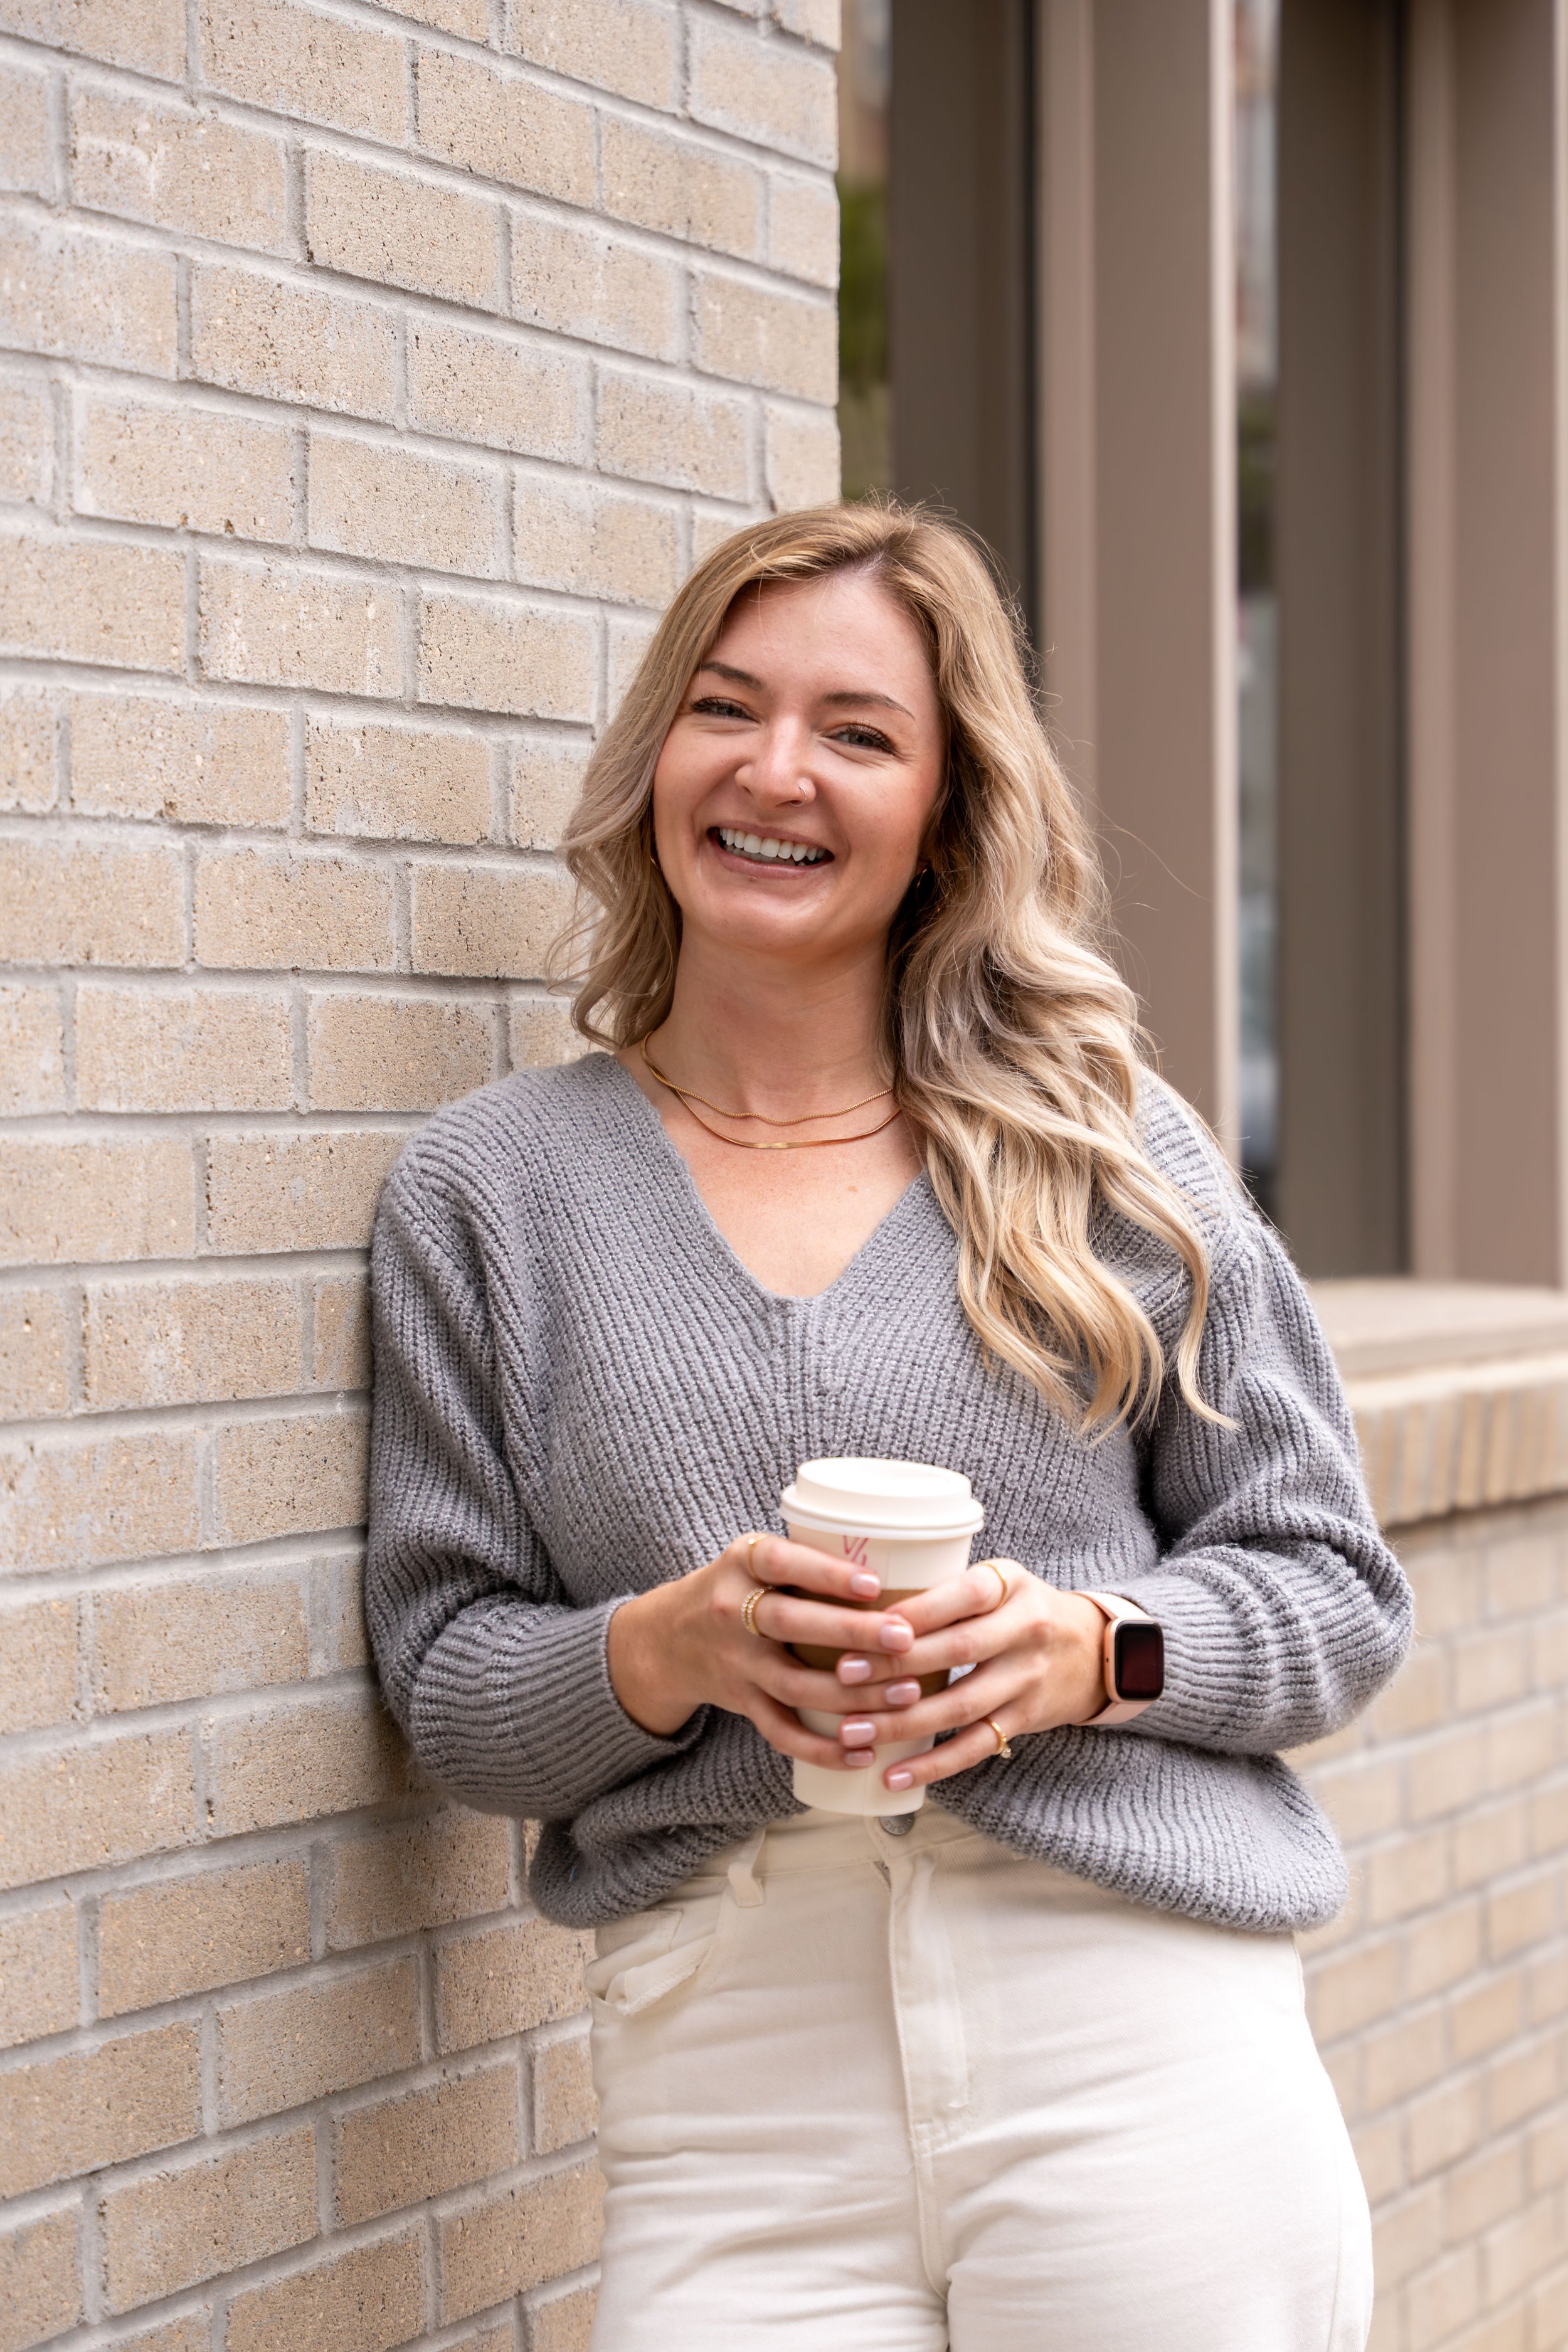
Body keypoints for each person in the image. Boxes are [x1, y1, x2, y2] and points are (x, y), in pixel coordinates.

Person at [366, 502, 1412, 2351]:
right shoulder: (492, 1194)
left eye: (856, 732)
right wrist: (665, 1651)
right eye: (725, 707)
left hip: (1129, 2025)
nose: (775, 772)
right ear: (657, 753)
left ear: (945, 808)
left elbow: (1333, 1588)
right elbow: (445, 1681)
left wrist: (1087, 1652)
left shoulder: (1097, 1149)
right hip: (732, 2076)